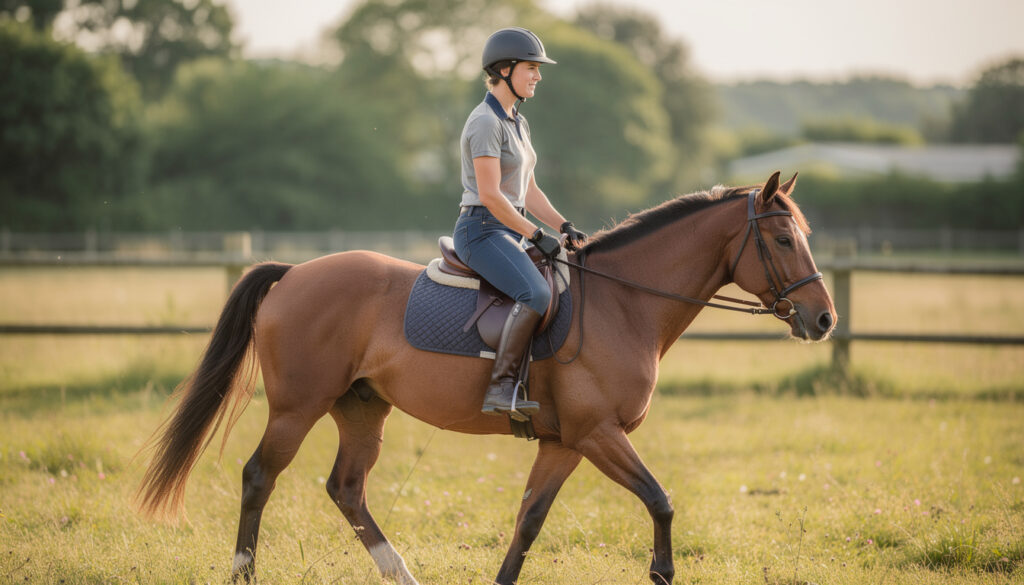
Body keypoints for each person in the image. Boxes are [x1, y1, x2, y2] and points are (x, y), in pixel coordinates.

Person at [453, 27, 588, 420]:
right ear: (505, 69)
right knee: (536, 294)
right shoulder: (484, 123)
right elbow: (492, 195)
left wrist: (563, 226)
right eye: (531, 68)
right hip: (482, 230)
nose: (538, 76)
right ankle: (501, 388)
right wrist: (535, 234)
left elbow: (527, 190)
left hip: (510, 229)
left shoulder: (517, 122)